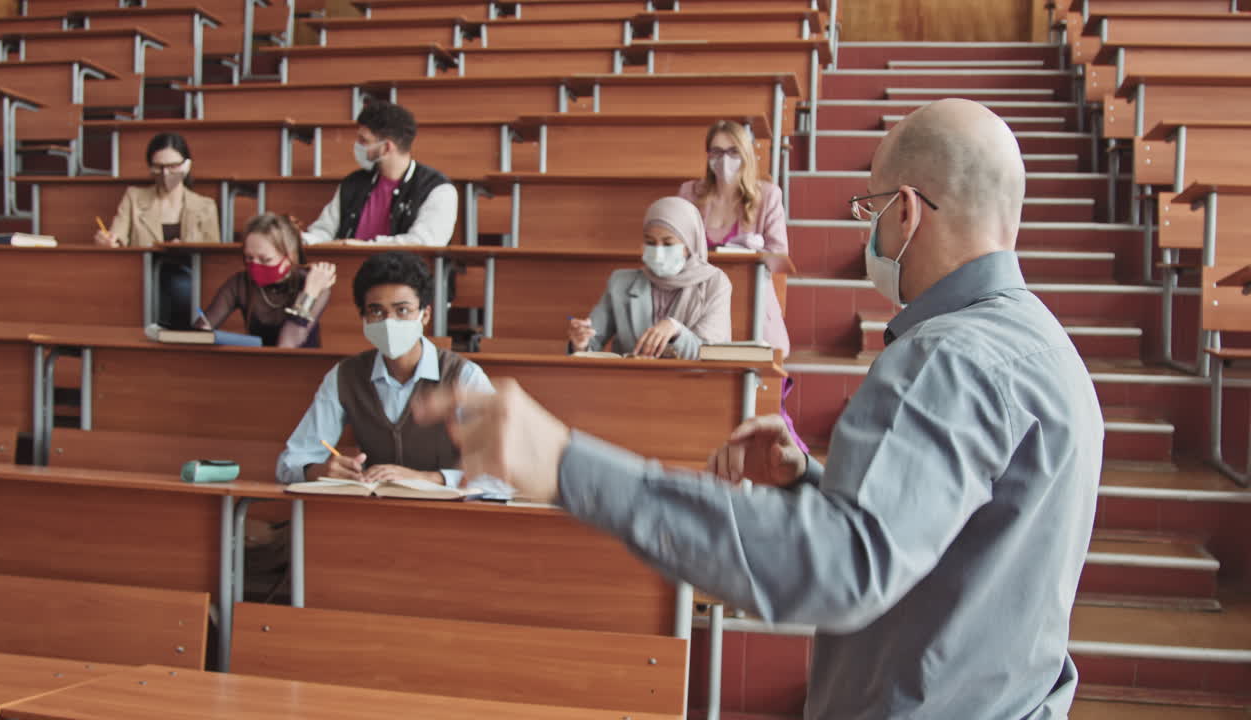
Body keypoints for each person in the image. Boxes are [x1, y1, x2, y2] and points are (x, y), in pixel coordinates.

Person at [416, 99, 1104, 719]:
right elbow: (961, 539)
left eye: (869, 212)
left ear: (906, 211)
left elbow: (843, 567)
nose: (870, 233)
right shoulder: (1047, 347)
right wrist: (812, 484)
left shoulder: (946, 357)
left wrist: (566, 464)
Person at [276, 251, 491, 487]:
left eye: (402, 310)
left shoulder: (464, 376)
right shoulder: (345, 376)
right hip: (373, 513)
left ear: (425, 314)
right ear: (364, 318)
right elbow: (290, 462)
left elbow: (501, 474)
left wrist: (430, 478)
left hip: (451, 516)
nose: (389, 322)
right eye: (377, 311)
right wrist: (320, 470)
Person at [566, 197, 731, 360]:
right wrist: (580, 344)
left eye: (668, 244)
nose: (658, 252)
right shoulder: (621, 283)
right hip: (631, 382)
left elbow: (713, 354)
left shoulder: (714, 283)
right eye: (650, 242)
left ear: (689, 245)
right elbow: (592, 343)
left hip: (693, 383)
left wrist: (676, 330)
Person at [679, 120, 790, 357]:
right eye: (717, 151)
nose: (724, 159)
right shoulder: (689, 193)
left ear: (746, 154)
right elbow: (676, 248)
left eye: (733, 152)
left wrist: (753, 250)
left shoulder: (768, 195)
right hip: (699, 303)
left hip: (750, 304)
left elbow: (779, 255)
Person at [301, 101, 458, 246]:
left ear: (387, 147)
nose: (358, 145)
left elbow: (424, 242)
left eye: (364, 140)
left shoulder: (438, 189)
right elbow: (324, 231)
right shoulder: (353, 183)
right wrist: (302, 239)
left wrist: (362, 247)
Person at [196, 213, 335, 348]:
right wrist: (203, 331)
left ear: (289, 257)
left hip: (300, 368)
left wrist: (309, 294)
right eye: (249, 258)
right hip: (255, 367)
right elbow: (198, 332)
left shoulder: (313, 284)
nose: (255, 265)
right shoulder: (240, 283)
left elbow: (287, 344)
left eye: (265, 259)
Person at [94, 132, 220, 248]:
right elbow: (117, 237)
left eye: (173, 166)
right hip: (141, 271)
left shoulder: (206, 206)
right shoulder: (133, 197)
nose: (165, 173)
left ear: (187, 166)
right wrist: (108, 242)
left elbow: (214, 257)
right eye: (158, 167)